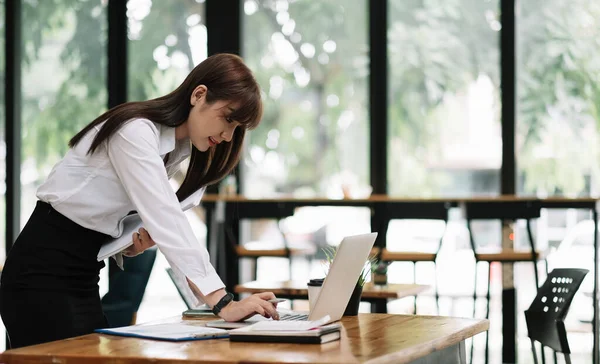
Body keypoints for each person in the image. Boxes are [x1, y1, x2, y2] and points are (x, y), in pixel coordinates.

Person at [0, 53, 280, 349]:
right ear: (199, 95)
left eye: (237, 129)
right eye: (228, 118)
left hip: (82, 273)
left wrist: (126, 244)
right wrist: (223, 302)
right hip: (40, 273)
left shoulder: (177, 152)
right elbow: (166, 217)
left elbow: (114, 216)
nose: (227, 136)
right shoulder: (135, 131)